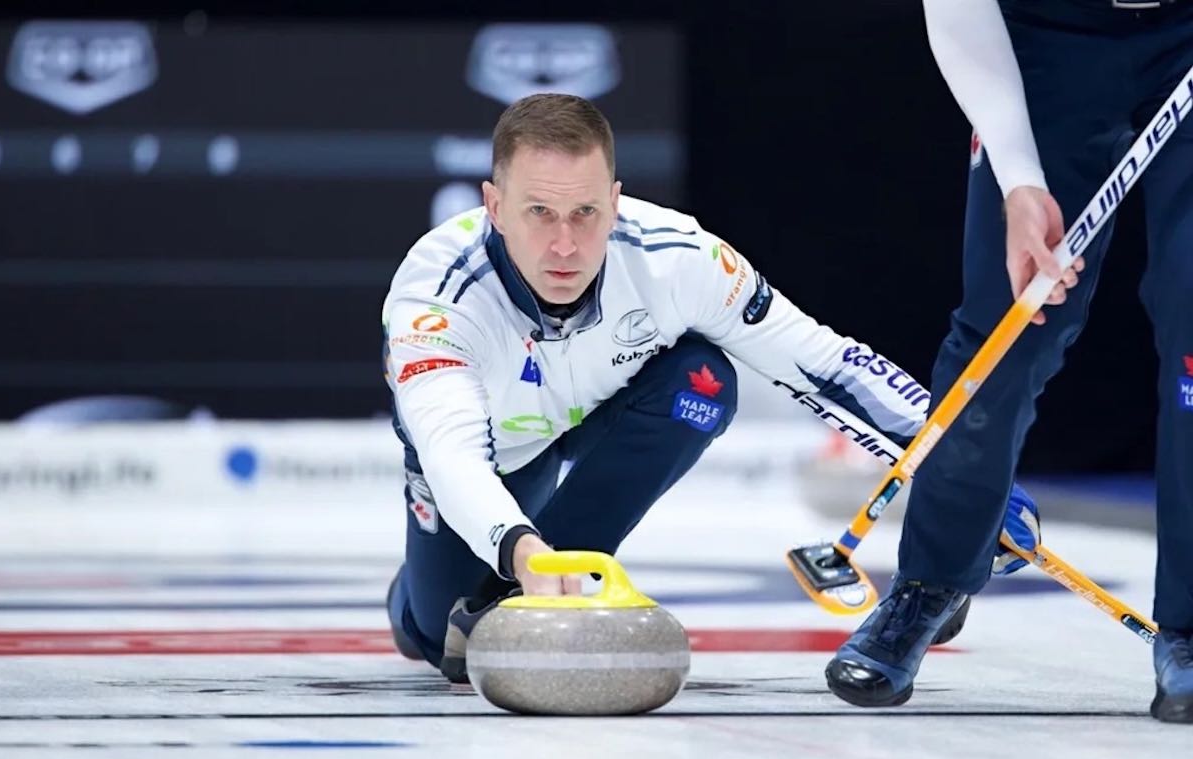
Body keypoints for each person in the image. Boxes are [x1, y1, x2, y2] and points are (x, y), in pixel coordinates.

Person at [381, 93, 1050, 683]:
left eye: (586, 212)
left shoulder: (680, 258)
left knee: (702, 378)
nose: (564, 245)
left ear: (616, 203)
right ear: (493, 206)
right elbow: (453, 455)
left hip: (599, 413)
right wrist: (522, 551)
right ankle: (432, 592)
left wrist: (966, 471)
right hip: (499, 454)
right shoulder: (436, 294)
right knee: (436, 637)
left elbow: (821, 361)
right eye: (539, 213)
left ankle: (534, 583)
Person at [825, 0, 1193, 723]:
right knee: (1011, 325)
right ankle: (931, 583)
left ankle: (1188, 627)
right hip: (1050, 41)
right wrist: (1019, 179)